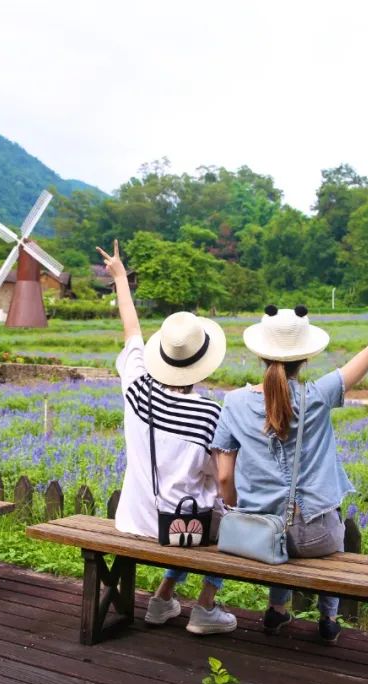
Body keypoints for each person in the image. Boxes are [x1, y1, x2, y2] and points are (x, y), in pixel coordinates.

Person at [211, 273, 368, 645]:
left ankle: (277, 612)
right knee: (332, 526)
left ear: (260, 353)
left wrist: (236, 509)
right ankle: (328, 619)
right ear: (306, 357)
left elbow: (223, 480)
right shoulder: (319, 394)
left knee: (278, 533)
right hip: (317, 537)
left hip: (257, 534)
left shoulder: (233, 402)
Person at [98, 239, 238, 635]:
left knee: (199, 506)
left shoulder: (137, 386)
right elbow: (220, 478)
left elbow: (131, 331)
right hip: (182, 529)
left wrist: (120, 278)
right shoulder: (210, 412)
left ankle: (161, 600)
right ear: (203, 363)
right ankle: (205, 608)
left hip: (135, 519)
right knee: (228, 514)